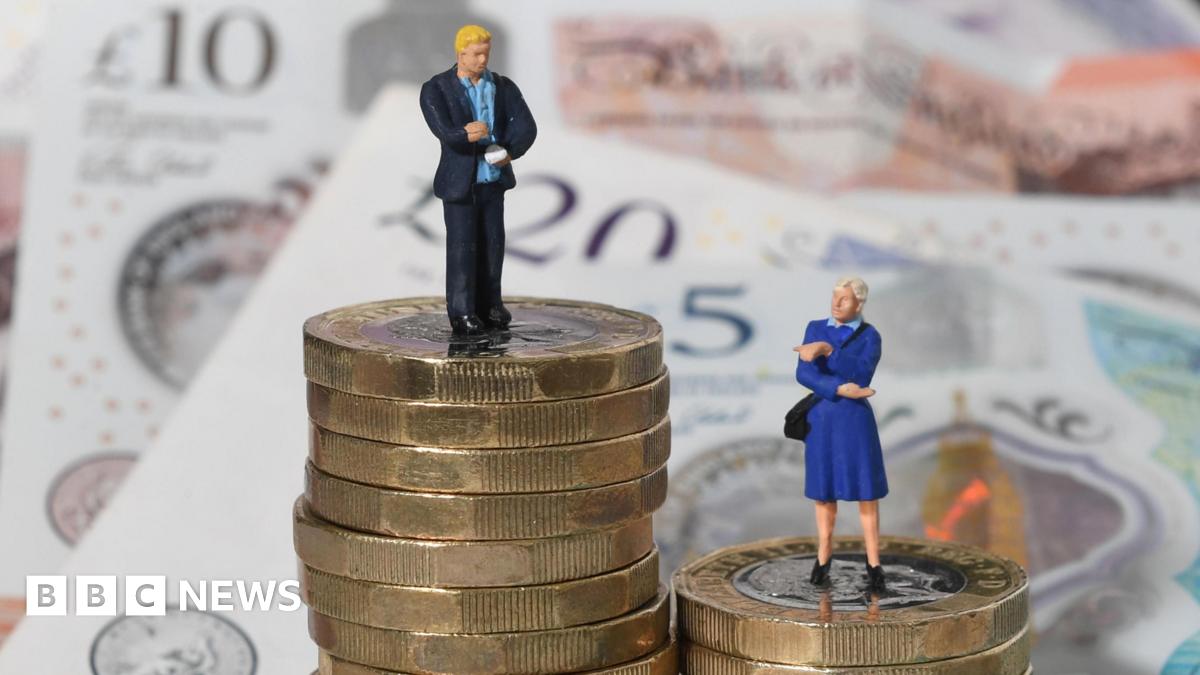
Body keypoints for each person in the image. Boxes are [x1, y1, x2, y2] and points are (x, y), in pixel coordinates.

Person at [419, 24, 537, 335]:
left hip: (493, 181)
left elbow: (526, 127)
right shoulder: (436, 89)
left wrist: (510, 152)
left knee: (493, 245)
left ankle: (491, 304)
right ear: (460, 54)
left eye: (486, 54)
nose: (482, 60)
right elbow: (443, 130)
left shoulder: (504, 87)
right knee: (462, 249)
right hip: (460, 185)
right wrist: (464, 133)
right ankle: (462, 311)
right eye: (476, 55)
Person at [793, 276, 889, 592]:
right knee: (824, 490)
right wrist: (836, 387)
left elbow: (862, 373)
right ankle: (823, 556)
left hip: (855, 421)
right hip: (823, 418)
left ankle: (874, 561)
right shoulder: (814, 326)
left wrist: (827, 350)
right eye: (834, 297)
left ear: (859, 303)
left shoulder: (871, 336)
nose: (836, 304)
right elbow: (803, 373)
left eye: (844, 299)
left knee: (866, 491)